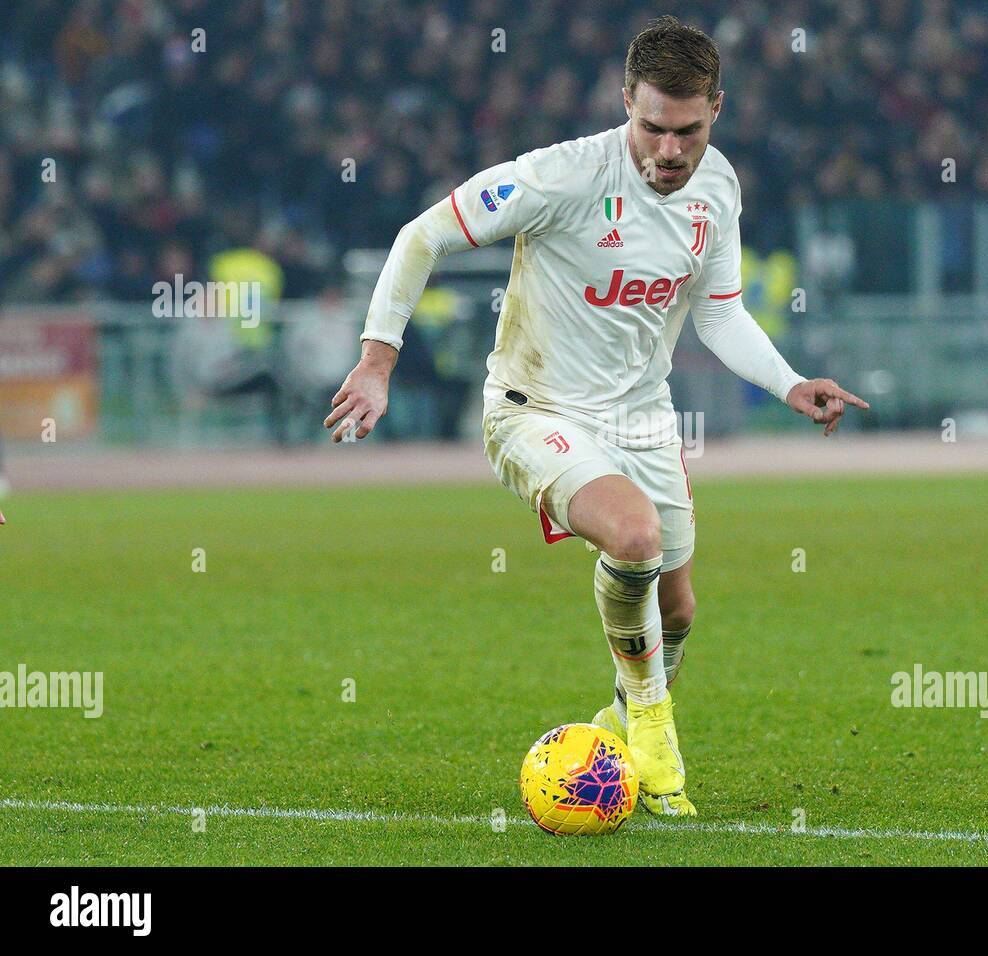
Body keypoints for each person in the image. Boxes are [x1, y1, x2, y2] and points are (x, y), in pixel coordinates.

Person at [324, 16, 867, 816]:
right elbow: (422, 235)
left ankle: (616, 723)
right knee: (635, 536)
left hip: (644, 419)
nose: (668, 152)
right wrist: (378, 360)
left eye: (688, 130)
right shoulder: (561, 177)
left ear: (717, 108)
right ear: (625, 103)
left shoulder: (718, 189)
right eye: (651, 128)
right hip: (533, 407)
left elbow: (717, 314)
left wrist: (787, 383)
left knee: (676, 611)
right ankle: (651, 725)